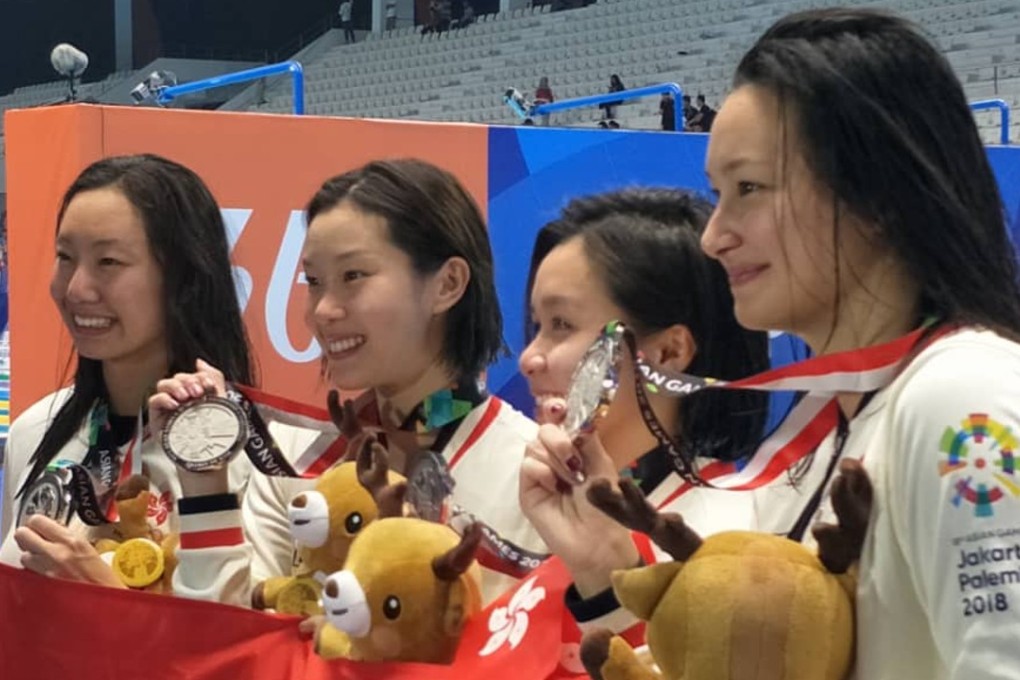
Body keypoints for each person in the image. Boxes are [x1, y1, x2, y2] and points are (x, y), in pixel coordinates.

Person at [702, 8, 1020, 678]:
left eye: (749, 189)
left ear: (874, 196)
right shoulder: (824, 434)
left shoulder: (959, 392)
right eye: (717, 194)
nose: (714, 235)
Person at [153, 159, 542, 606]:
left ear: (447, 284)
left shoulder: (529, 475)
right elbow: (225, 644)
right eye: (314, 281)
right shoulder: (294, 462)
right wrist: (203, 487)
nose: (321, 310)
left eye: (353, 276)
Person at [0, 154, 256, 598]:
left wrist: (111, 604)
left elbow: (240, 652)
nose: (76, 289)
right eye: (65, 256)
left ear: (184, 277)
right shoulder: (36, 430)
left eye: (109, 262)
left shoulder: (249, 456)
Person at [518, 188, 769, 635]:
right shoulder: (531, 499)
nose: (529, 358)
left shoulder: (732, 537)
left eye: (562, 325)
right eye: (537, 326)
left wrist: (607, 579)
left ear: (669, 352)